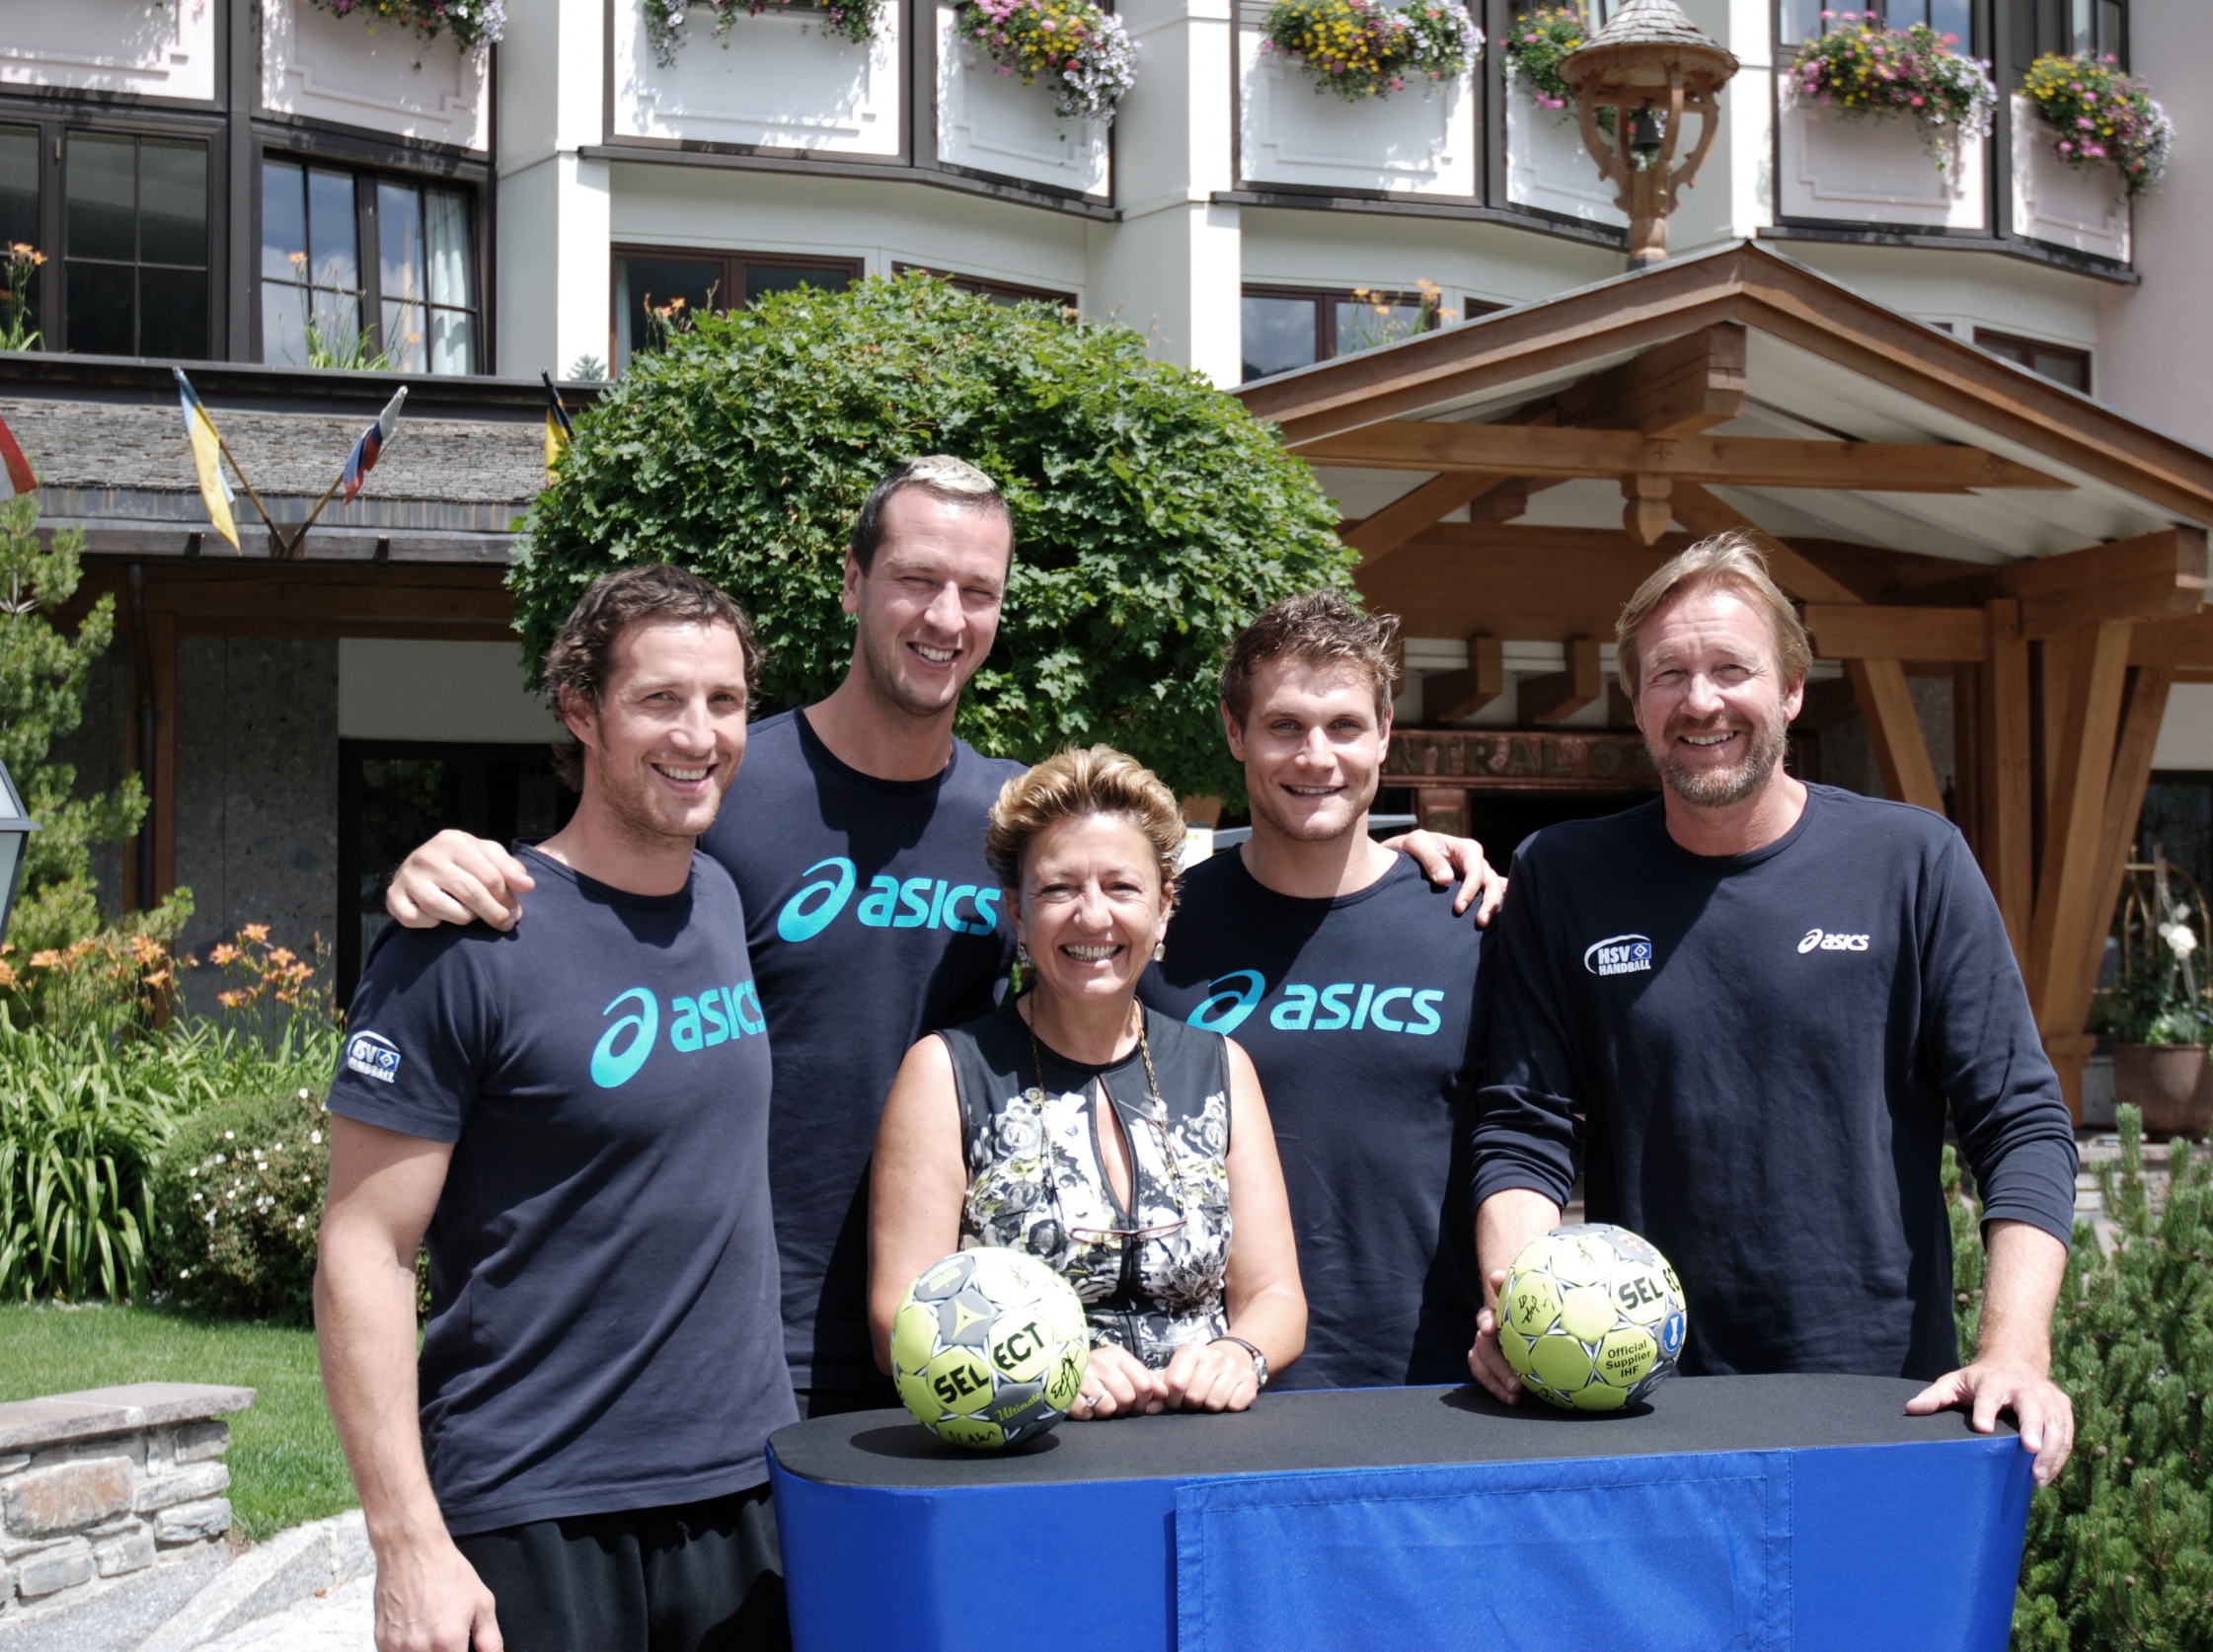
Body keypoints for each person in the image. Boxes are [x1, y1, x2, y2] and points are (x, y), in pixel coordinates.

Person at [382, 456, 1500, 1415]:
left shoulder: (1011, 820)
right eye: (917, 580)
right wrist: (451, 861)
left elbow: (1135, 899)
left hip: (973, 1339)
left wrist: (1392, 861)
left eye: (978, 590)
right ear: (854, 583)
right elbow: (597, 877)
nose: (945, 617)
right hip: (750, 1338)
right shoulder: (728, 785)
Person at [1465, 532, 2082, 1485]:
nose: (1700, 700)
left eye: (1731, 669)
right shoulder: (1565, 874)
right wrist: (1521, 1305)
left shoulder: (1912, 862)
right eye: (1669, 674)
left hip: (1884, 1397)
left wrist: (2014, 1352)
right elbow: (1523, 1126)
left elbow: (2022, 1123)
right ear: (1637, 703)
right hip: (1644, 1399)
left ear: (1791, 689)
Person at [316, 564, 793, 1652]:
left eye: (725, 702)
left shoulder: (721, 899)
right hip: (535, 1504)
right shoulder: (467, 940)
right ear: (581, 709)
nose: (699, 734)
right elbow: (363, 1248)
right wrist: (406, 1543)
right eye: (660, 699)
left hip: (739, 1488)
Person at [870, 745, 1308, 1416]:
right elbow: (896, 1318)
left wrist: (1239, 1353)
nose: (1093, 916)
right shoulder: (946, 1073)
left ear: (1164, 908)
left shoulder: (1221, 1068)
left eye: (1122, 887)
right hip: (1030, 1453)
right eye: (1058, 889)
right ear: (1019, 914)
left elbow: (1276, 1296)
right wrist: (1050, 1365)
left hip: (1206, 1447)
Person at [1142, 591, 1488, 1389]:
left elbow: (1524, 1137)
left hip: (1441, 1392)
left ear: (1385, 734)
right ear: (1236, 731)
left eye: (1344, 726)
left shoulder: (1468, 920)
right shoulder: (1163, 931)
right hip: (1214, 1388)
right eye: (1285, 726)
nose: (1316, 756)